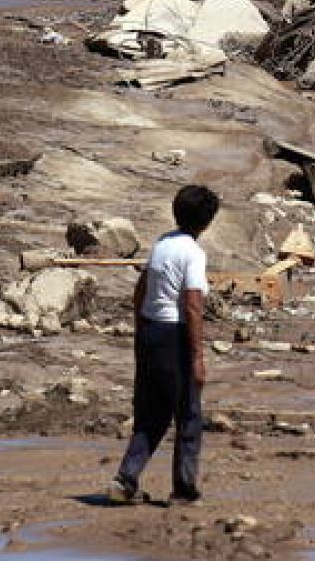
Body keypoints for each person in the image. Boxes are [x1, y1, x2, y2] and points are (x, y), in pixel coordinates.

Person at [108, 184, 218, 505]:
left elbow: (141, 289)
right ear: (207, 222)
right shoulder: (194, 254)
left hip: (151, 330)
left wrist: (141, 328)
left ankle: (125, 479)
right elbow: (194, 306)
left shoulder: (162, 243)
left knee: (151, 413)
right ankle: (183, 490)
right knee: (187, 414)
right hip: (174, 334)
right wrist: (198, 357)